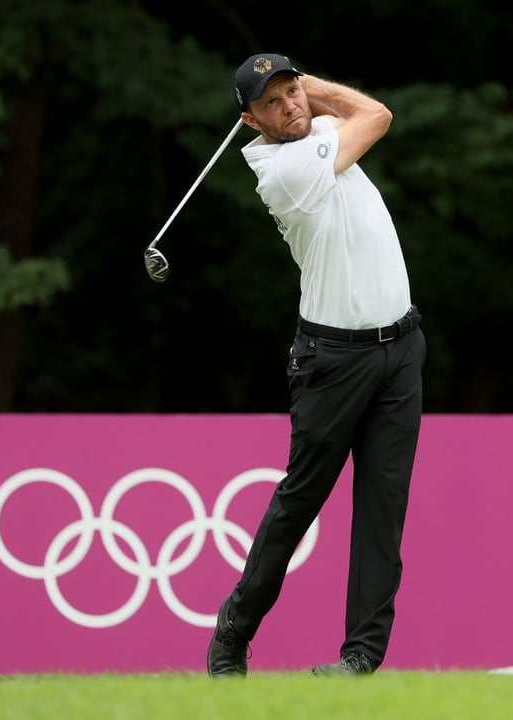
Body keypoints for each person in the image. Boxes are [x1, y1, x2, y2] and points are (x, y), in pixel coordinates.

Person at [206, 53, 426, 677]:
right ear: (250, 122)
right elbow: (376, 113)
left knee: (384, 508)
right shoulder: (282, 170)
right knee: (301, 501)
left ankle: (360, 658)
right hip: (332, 360)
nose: (290, 107)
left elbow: (349, 119)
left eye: (291, 93)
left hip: (401, 349)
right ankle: (233, 629)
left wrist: (305, 94)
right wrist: (314, 88)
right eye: (272, 103)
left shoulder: (318, 135)